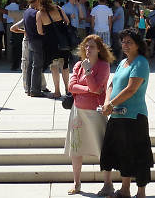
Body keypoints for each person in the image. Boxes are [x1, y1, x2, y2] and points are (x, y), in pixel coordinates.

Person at [99, 29, 154, 198]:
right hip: (116, 116)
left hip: (133, 117)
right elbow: (111, 85)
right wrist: (108, 103)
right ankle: (124, 190)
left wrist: (111, 104)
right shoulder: (123, 62)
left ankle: (139, 192)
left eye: (129, 42)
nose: (125, 45)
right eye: (123, 42)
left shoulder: (141, 63)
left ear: (138, 44)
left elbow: (131, 89)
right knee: (120, 154)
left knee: (137, 154)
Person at [64, 34, 114, 196]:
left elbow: (96, 86)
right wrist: (88, 90)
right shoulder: (78, 65)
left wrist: (87, 72)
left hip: (96, 113)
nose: (88, 49)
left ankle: (108, 183)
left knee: (102, 148)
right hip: (78, 111)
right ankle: (76, 183)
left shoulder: (103, 66)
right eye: (86, 46)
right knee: (76, 149)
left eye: (91, 46)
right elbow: (71, 87)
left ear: (99, 49)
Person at [36, 0, 71, 99]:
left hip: (51, 43)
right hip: (63, 41)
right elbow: (67, 21)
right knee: (65, 66)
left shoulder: (40, 13)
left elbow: (40, 31)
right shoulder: (58, 9)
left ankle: (57, 91)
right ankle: (68, 90)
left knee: (54, 67)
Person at [24, 0, 47, 97]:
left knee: (30, 66)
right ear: (36, 1)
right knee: (37, 66)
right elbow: (40, 30)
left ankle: (29, 89)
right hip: (37, 41)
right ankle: (35, 91)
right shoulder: (36, 13)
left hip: (30, 41)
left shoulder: (26, 12)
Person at [5, 0, 23, 71]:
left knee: (14, 47)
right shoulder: (21, 11)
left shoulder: (18, 12)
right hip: (19, 30)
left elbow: (4, 15)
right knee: (18, 48)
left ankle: (12, 61)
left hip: (13, 28)